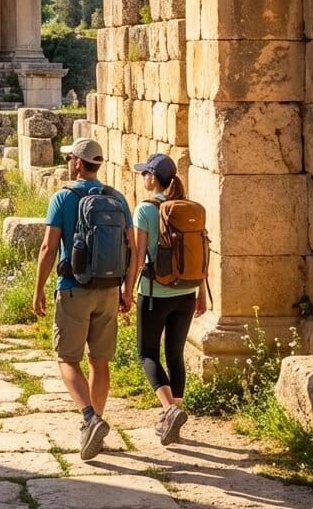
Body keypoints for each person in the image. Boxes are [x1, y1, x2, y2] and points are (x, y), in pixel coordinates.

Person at [32, 137, 132, 462]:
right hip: (108, 290)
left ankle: (89, 418)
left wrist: (38, 289)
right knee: (99, 362)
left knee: (67, 359)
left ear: (77, 163)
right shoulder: (117, 198)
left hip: (73, 288)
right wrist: (126, 290)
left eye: (69, 159)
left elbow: (48, 248)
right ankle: (94, 428)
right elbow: (130, 248)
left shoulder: (63, 197)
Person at [123, 153, 206, 446]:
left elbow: (137, 257)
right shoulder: (189, 208)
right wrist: (201, 294)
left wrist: (127, 291)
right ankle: (174, 419)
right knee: (175, 355)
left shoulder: (145, 209)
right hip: (187, 293)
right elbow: (199, 255)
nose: (142, 178)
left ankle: (170, 410)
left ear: (153, 178)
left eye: (144, 173)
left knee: (146, 353)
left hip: (155, 293)